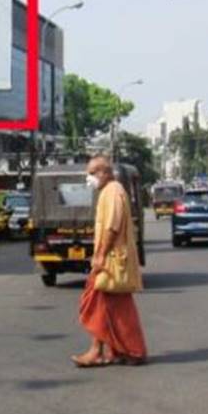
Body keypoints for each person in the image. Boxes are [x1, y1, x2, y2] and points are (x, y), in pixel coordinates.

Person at [72, 156, 148, 368]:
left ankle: (103, 351)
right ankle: (120, 350)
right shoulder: (108, 191)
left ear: (104, 172)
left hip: (112, 259)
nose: (89, 179)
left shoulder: (113, 190)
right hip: (111, 259)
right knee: (107, 305)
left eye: (92, 173)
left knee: (97, 301)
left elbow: (112, 227)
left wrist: (100, 255)